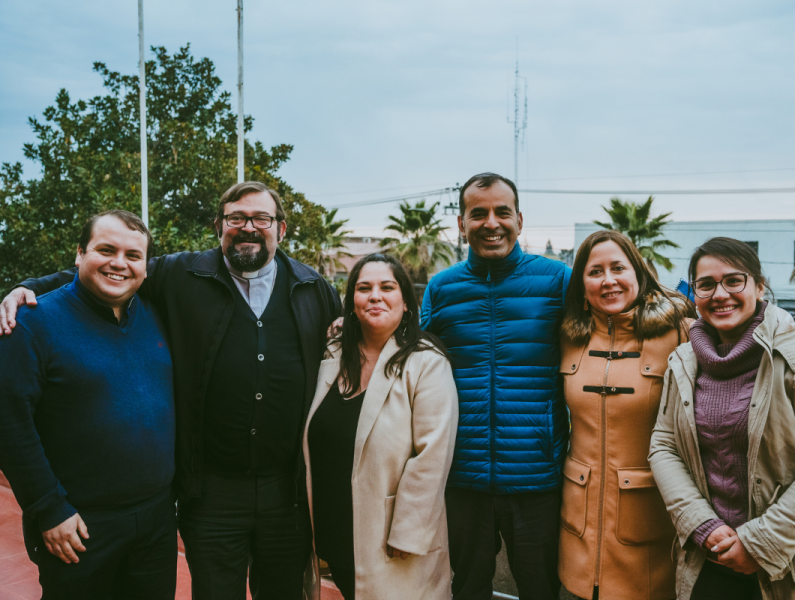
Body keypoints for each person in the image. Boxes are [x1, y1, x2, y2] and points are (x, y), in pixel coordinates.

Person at [0, 182, 342, 600]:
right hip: (202, 497)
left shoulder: (314, 289)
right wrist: (28, 287)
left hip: (278, 496)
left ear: (282, 229)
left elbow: (350, 348)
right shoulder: (180, 275)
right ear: (219, 226)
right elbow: (110, 270)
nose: (248, 227)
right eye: (236, 217)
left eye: (261, 218)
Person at [648, 237, 795, 600]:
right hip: (711, 559)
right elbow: (663, 445)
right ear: (694, 295)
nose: (720, 294)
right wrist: (702, 524)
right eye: (706, 284)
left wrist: (758, 543)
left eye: (734, 280)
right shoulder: (683, 363)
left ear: (759, 286)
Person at [0, 210, 176, 599]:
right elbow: (9, 424)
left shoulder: (156, 312)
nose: (119, 263)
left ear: (145, 266)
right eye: (106, 249)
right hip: (78, 526)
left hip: (157, 521)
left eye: (133, 255)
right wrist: (48, 510)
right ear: (79, 253)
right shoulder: (30, 323)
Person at [420, 172, 570, 600]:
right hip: (461, 478)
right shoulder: (442, 289)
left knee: (540, 589)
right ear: (461, 225)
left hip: (537, 478)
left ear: (519, 221)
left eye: (502, 212)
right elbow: (414, 362)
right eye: (478, 213)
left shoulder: (557, 281)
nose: (491, 223)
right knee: (466, 589)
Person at [304, 253, 458, 599]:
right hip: (337, 527)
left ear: (406, 303)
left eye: (387, 287)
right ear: (352, 304)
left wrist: (408, 531)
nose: (375, 295)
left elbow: (433, 454)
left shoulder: (427, 362)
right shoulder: (331, 356)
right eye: (364, 288)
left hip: (391, 536)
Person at [558, 230, 694, 600]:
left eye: (618, 267)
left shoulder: (681, 331)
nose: (608, 280)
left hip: (649, 528)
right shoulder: (568, 335)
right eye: (595, 271)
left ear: (638, 272)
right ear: (581, 283)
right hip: (577, 528)